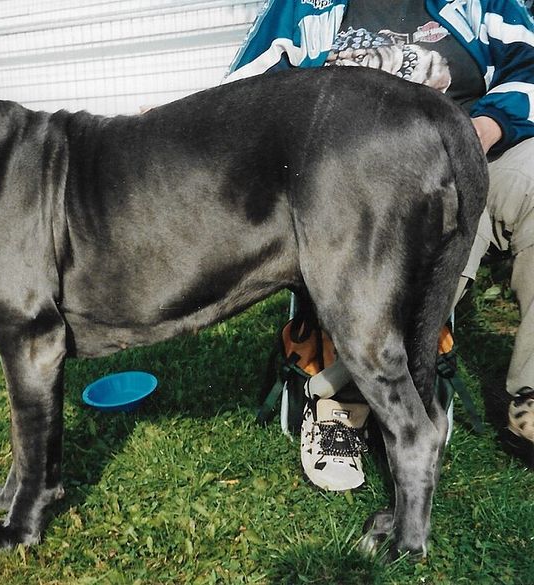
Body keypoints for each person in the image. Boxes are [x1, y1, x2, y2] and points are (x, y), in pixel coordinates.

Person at [226, 0, 534, 487]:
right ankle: (340, 403)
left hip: (473, 161)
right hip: (351, 186)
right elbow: (245, 90)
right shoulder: (304, 8)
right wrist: (175, 123)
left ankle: (531, 396)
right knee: (345, 213)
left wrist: (484, 129)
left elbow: (530, 64)